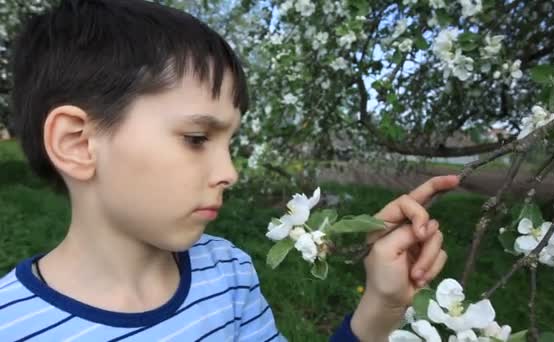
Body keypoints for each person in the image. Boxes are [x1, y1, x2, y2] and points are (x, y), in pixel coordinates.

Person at [0, 0, 460, 340]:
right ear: (77, 143)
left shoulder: (227, 273)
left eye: (231, 142)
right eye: (197, 138)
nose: (230, 172)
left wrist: (381, 304)